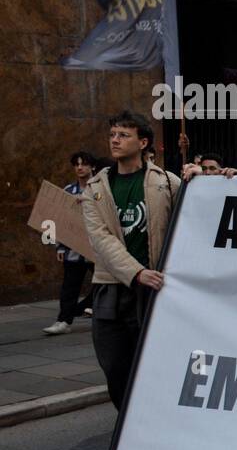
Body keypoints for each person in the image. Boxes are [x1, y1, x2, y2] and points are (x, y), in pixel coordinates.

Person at [82, 112, 181, 410]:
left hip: (156, 291)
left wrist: (211, 177)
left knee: (155, 365)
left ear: (143, 142)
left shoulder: (166, 182)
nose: (115, 140)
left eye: (123, 135)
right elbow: (101, 240)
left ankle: (150, 427)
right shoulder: (95, 188)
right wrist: (136, 272)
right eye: (113, 134)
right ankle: (130, 424)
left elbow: (193, 217)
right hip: (111, 290)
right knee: (115, 368)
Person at [43, 151, 99, 335]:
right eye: (76, 164)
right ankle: (63, 320)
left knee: (103, 283)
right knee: (69, 285)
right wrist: (59, 246)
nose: (80, 168)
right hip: (74, 248)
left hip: (97, 247)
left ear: (92, 166)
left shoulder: (100, 189)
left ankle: (85, 310)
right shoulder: (68, 190)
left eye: (83, 164)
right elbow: (60, 220)